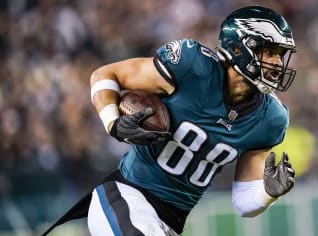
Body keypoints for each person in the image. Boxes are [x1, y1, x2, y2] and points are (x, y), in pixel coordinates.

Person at [43, 5, 297, 236]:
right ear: (238, 48)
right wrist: (113, 123)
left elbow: (243, 202)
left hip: (170, 222)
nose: (277, 63)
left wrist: (267, 194)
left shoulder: (270, 119)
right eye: (269, 52)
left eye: (280, 55)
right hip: (126, 193)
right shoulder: (193, 67)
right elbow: (105, 75)